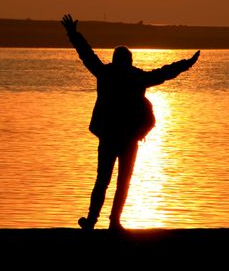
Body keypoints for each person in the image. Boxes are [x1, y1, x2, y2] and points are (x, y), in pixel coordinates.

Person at [61, 14, 200, 232]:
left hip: (113, 136)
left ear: (116, 59)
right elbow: (164, 73)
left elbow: (87, 55)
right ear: (129, 61)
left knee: (104, 181)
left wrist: (73, 34)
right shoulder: (135, 76)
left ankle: (94, 221)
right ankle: (112, 222)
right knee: (120, 182)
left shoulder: (106, 73)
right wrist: (187, 64)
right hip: (126, 138)